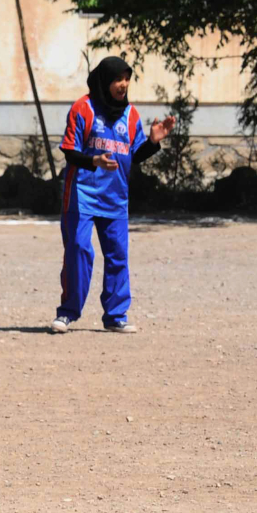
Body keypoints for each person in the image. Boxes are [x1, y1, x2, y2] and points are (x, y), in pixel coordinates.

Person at [51, 56, 175, 334]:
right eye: (118, 79)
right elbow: (70, 152)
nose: (124, 84)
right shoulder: (82, 108)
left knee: (118, 255)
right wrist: (93, 162)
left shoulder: (130, 114)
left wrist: (153, 141)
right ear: (104, 81)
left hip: (115, 198)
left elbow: (135, 153)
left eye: (127, 79)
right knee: (78, 250)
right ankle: (68, 313)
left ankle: (115, 315)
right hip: (82, 195)